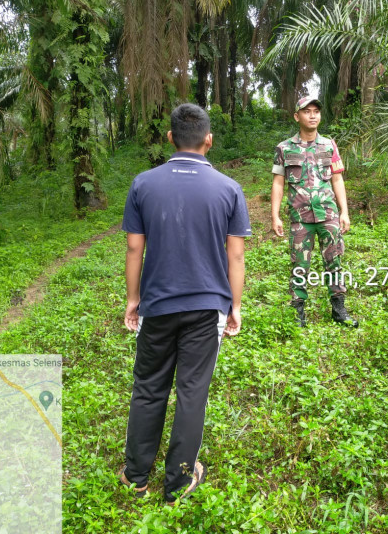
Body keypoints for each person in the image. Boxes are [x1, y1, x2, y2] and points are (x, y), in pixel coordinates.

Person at [119, 103, 251, 503]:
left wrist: (132, 299)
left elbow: (133, 248)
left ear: (170, 138)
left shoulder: (143, 183)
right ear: (209, 140)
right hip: (206, 307)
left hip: (156, 305)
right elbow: (237, 257)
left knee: (148, 387)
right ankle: (177, 482)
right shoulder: (229, 189)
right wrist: (235, 306)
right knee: (193, 391)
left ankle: (136, 476)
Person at [271, 95, 358, 328]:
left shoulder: (329, 145)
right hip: (300, 217)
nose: (312, 115)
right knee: (300, 264)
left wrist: (344, 212)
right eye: (307, 111)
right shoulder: (284, 148)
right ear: (296, 116)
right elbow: (278, 182)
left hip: (328, 214)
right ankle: (297, 312)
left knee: (334, 261)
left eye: (316, 111)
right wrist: (275, 215)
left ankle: (339, 309)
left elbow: (338, 180)